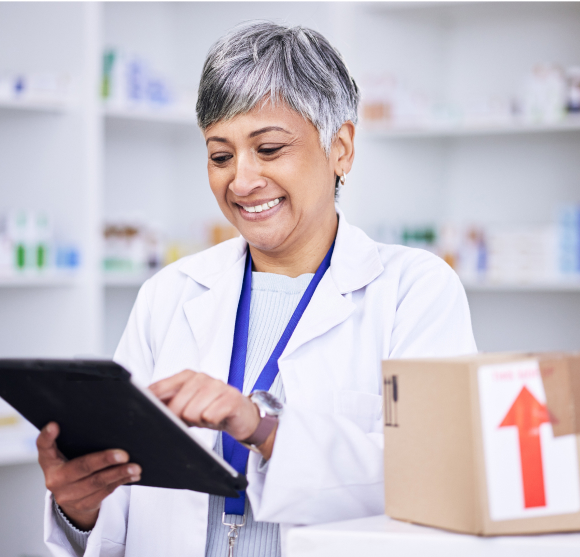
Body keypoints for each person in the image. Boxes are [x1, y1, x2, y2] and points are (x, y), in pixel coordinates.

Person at [38, 21, 476, 557]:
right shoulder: (170, 293)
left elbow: (436, 481)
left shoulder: (414, 292)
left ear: (340, 148)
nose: (241, 181)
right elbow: (122, 505)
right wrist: (79, 505)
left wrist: (262, 429)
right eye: (221, 156)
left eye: (269, 149)